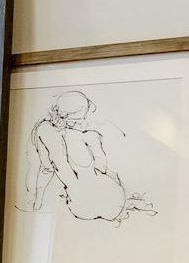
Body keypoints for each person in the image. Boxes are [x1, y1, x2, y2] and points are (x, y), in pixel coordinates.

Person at [27, 91, 154, 223]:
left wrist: (38, 201)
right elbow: (102, 168)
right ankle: (129, 202)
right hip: (115, 199)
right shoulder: (89, 136)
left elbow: (47, 169)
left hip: (82, 207)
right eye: (81, 119)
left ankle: (127, 202)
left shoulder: (43, 130)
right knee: (106, 180)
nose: (83, 122)